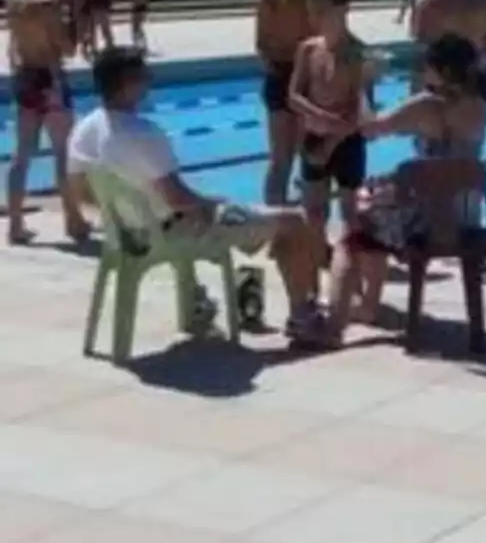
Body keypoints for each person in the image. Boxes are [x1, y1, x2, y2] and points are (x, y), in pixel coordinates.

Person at [66, 47, 328, 342]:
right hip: (172, 230)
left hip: (127, 233)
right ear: (129, 83)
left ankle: (196, 306)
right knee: (292, 220)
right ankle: (302, 318)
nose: (150, 81)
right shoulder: (143, 133)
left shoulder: (84, 128)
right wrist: (210, 203)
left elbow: (79, 193)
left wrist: (127, 211)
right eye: (145, 75)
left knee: (237, 214)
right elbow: (178, 199)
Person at [324, 32, 486, 336]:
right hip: (467, 219)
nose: (421, 73)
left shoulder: (427, 105)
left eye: (426, 67)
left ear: (440, 70)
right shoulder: (480, 106)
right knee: (377, 205)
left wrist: (364, 83)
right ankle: (370, 306)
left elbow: (369, 129)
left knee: (354, 227)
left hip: (425, 224)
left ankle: (336, 321)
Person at [6, 0, 90, 245]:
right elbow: (66, 48)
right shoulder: (48, 5)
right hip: (51, 80)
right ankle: (73, 220)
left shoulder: (16, 1)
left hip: (24, 79)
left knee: (22, 156)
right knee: (63, 153)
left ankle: (16, 224)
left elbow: (13, 48)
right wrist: (76, 15)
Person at [288, 0, 370, 245]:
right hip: (314, 137)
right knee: (313, 211)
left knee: (350, 210)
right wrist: (322, 120)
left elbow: (359, 108)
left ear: (344, 9)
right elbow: (294, 96)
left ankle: (352, 263)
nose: (315, 18)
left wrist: (331, 141)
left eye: (322, 11)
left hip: (347, 141)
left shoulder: (358, 53)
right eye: (312, 11)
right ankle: (317, 257)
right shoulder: (309, 48)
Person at [255, 0, 328, 205]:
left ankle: (275, 224)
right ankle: (307, 230)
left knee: (279, 161)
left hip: (275, 75)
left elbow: (260, 43)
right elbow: (320, 39)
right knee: (312, 156)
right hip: (302, 78)